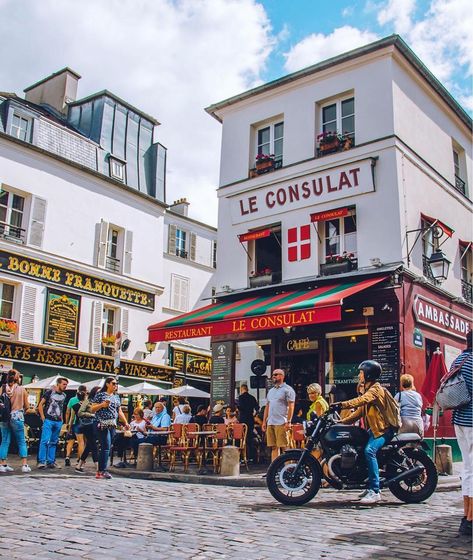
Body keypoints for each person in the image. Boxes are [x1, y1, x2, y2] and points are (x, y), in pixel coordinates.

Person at [336, 360, 396, 505]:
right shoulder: (369, 389)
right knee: (361, 448)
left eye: (361, 372)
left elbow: (362, 401)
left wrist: (341, 404)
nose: (359, 375)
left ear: (368, 374)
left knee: (370, 451)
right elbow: (360, 412)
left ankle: (375, 491)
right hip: (375, 429)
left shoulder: (375, 389)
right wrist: (341, 423)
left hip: (384, 430)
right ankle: (369, 485)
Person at [451, 331, 472, 536]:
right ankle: (470, 518)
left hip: (459, 420)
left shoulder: (459, 359)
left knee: (467, 469)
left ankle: (467, 516)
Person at [90, 377, 130, 479]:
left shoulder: (116, 397)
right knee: (106, 446)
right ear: (107, 384)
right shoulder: (100, 395)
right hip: (101, 423)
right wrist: (102, 405)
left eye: (116, 384)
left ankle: (100, 471)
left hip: (112, 424)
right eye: (113, 383)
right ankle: (102, 471)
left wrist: (125, 422)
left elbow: (119, 411)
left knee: (108, 447)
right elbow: (92, 409)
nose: (115, 385)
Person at [0, 369, 31, 473]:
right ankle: (24, 465)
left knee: (4, 441)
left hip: (4, 417)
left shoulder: (2, 388)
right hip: (17, 416)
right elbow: (27, 406)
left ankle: (3, 464)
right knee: (21, 441)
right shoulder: (22, 389)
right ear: (18, 378)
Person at [262, 369, 296, 462]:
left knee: (284, 446)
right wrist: (264, 421)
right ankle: (275, 469)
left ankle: (288, 468)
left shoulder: (287, 389)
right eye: (273, 375)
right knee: (273, 447)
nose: (274, 376)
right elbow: (267, 406)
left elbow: (291, 406)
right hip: (271, 421)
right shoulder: (271, 391)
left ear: (282, 376)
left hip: (281, 421)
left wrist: (289, 421)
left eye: (276, 374)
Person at [37, 377, 69, 469]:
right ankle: (41, 461)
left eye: (66, 385)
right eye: (63, 384)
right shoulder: (50, 392)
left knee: (54, 442)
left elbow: (62, 407)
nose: (65, 386)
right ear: (58, 384)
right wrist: (43, 417)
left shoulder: (64, 395)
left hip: (58, 421)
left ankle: (51, 461)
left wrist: (62, 419)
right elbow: (40, 404)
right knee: (45, 441)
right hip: (49, 420)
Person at [75, 386, 99, 473]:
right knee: (94, 446)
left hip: (96, 425)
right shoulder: (88, 401)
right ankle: (98, 468)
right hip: (88, 425)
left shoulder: (101, 402)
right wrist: (91, 415)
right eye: (98, 392)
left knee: (89, 445)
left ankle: (79, 465)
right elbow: (80, 412)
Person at [65, 385, 87, 467]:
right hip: (84, 424)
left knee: (71, 440)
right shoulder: (87, 401)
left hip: (74, 423)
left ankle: (67, 456)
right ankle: (80, 459)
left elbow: (68, 413)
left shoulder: (72, 400)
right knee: (81, 442)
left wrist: (67, 424)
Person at [236, 384, 259, 461]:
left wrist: (237, 408)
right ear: (247, 389)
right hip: (250, 419)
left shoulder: (241, 397)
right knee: (250, 438)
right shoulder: (252, 397)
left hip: (243, 420)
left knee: (242, 438)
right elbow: (257, 408)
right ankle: (251, 457)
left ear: (242, 389)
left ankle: (242, 457)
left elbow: (240, 407)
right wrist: (254, 414)